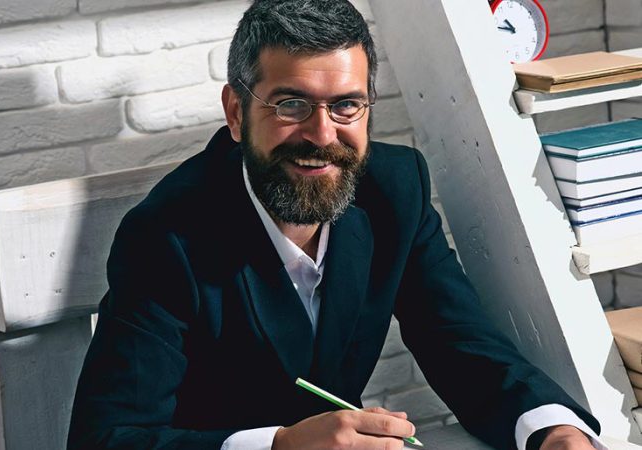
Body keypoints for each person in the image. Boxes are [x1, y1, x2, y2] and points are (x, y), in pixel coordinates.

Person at [67, 1, 605, 449]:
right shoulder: (165, 236)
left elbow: (458, 342)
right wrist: (279, 446)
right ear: (235, 112)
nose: (322, 135)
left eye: (346, 105)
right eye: (291, 104)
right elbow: (106, 438)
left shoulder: (396, 189)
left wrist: (552, 430)